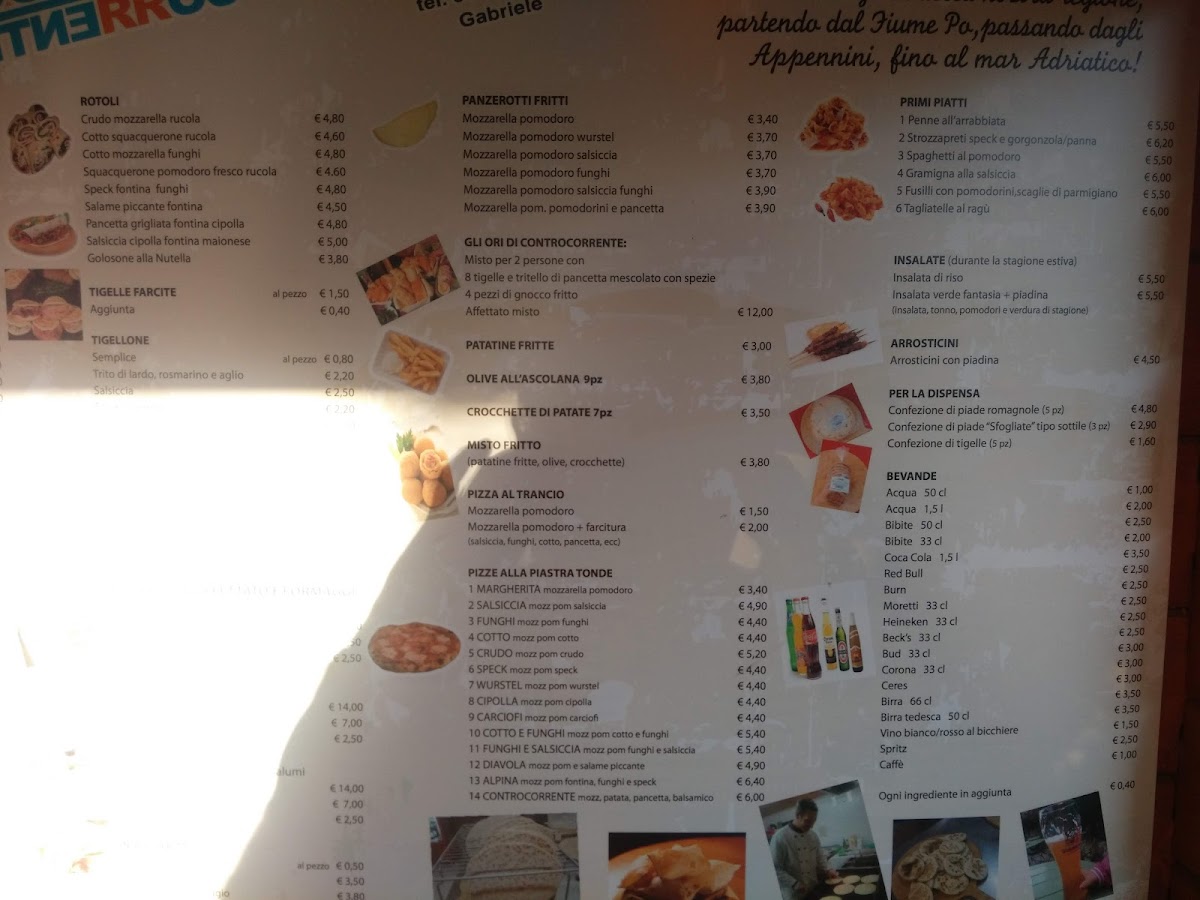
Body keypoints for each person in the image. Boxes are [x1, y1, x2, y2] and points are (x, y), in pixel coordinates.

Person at [769, 798, 838, 899]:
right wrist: (794, 883)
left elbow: (820, 857)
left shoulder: (813, 835)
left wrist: (828, 870)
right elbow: (775, 868)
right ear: (798, 815)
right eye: (808, 821)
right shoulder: (780, 837)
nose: (812, 826)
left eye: (814, 821)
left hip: (812, 887)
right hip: (793, 892)